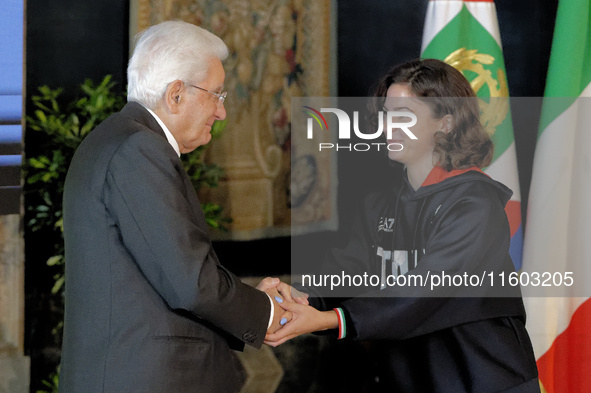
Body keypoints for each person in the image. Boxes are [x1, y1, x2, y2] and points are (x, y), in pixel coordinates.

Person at [266, 59, 540, 392]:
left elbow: (423, 291)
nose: (388, 127)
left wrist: (334, 320)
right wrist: (296, 301)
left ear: (446, 124)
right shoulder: (379, 203)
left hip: (484, 379)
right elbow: (345, 274)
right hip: (413, 379)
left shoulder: (476, 205)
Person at [59, 20, 301, 393]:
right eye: (217, 95)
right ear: (175, 94)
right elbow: (190, 283)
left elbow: (170, 268)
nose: (221, 112)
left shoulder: (119, 140)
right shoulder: (139, 150)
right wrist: (266, 311)